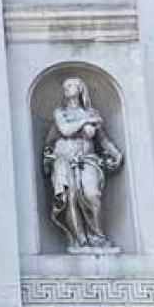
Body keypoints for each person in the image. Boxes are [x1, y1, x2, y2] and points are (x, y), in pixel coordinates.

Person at [43, 76, 123, 250]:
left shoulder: (93, 113)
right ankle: (81, 241)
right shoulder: (61, 113)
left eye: (71, 85)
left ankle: (97, 236)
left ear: (81, 89)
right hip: (64, 160)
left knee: (91, 194)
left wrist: (115, 153)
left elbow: (103, 140)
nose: (67, 88)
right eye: (65, 85)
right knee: (70, 197)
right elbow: (65, 130)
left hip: (88, 160)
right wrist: (85, 121)